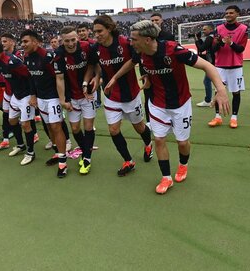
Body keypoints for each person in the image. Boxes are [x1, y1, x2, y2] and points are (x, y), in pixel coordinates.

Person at [129, 20, 230, 194]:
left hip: (180, 104)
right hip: (157, 103)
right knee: (159, 139)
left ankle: (183, 165)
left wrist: (221, 90)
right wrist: (147, 78)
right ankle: (166, 177)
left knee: (182, 142)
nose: (131, 42)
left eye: (134, 39)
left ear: (147, 39)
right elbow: (146, 68)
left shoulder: (173, 50)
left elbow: (208, 65)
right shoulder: (139, 53)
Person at [91, 15, 154, 177]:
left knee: (139, 127)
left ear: (109, 29)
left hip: (130, 94)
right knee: (113, 130)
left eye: (100, 31)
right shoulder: (95, 48)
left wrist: (115, 78)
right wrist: (97, 79)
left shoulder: (126, 43)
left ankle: (148, 144)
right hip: (111, 96)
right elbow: (97, 67)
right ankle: (128, 160)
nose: (96, 34)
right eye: (95, 32)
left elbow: (135, 60)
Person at [22, 30, 69, 177]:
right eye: (22, 42)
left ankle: (63, 162)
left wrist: (62, 98)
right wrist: (33, 95)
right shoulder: (27, 57)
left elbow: (60, 77)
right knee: (48, 126)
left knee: (56, 127)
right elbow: (30, 78)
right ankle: (57, 153)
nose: (23, 45)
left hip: (53, 97)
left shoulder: (48, 57)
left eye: (26, 41)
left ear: (35, 42)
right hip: (41, 98)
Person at [55, 26, 99, 175]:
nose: (71, 43)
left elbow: (95, 66)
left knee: (88, 127)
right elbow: (59, 78)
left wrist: (95, 80)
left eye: (73, 40)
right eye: (67, 41)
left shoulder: (87, 47)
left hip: (88, 95)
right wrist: (62, 100)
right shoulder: (59, 54)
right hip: (72, 97)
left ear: (78, 39)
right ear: (62, 41)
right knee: (74, 128)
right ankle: (86, 150)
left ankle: (87, 158)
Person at [208, 5, 248, 128]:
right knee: (217, 92)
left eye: (231, 13)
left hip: (235, 66)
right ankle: (217, 117)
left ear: (237, 14)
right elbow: (212, 49)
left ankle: (234, 118)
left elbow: (241, 49)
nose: (228, 15)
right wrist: (219, 43)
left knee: (236, 93)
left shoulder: (243, 29)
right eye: (227, 13)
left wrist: (230, 43)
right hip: (220, 66)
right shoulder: (219, 28)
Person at [194, 24, 216, 107]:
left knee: (207, 81)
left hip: (213, 63)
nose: (203, 31)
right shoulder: (213, 36)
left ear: (210, 29)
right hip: (215, 61)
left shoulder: (210, 37)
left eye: (205, 29)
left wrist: (196, 39)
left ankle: (208, 100)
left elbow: (201, 48)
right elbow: (205, 46)